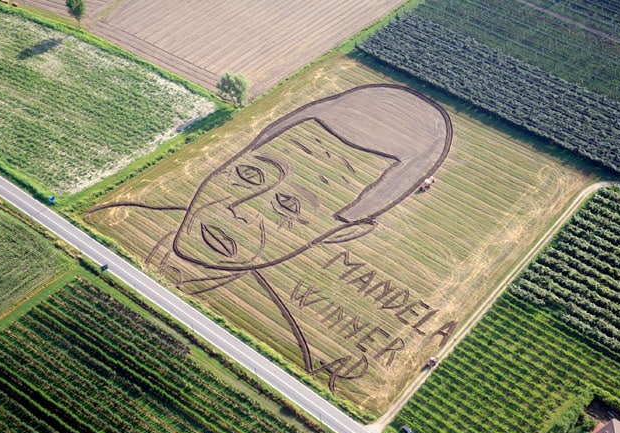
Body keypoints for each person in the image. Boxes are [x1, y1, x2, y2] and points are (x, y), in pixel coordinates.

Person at [88, 83, 452, 391]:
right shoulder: (106, 219)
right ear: (233, 158)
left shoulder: (275, 341)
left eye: (289, 206)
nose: (239, 208)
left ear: (342, 233)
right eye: (248, 174)